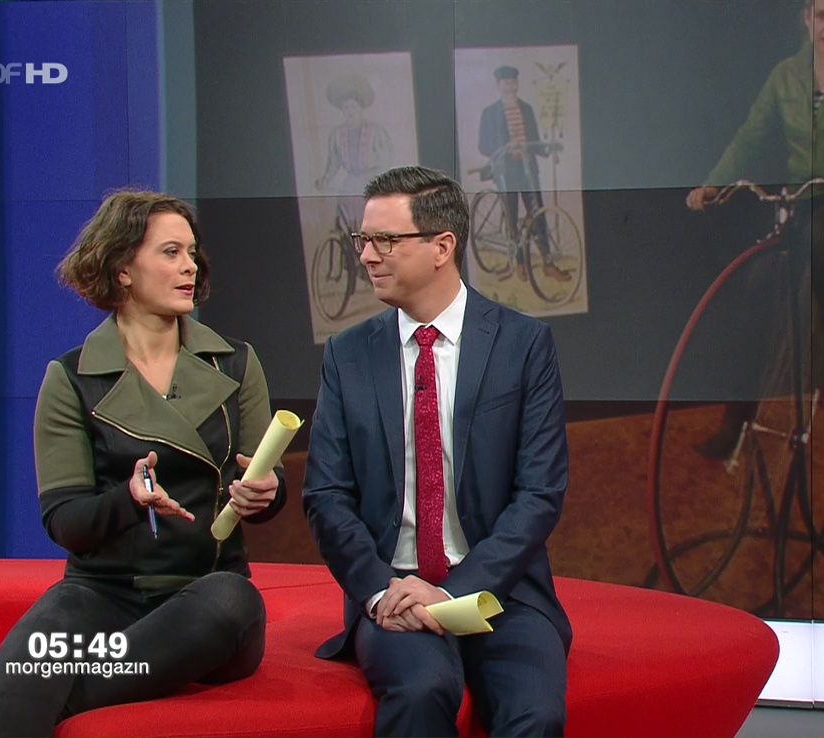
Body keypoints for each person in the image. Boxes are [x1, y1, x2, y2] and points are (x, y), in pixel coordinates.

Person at [0, 190, 287, 737]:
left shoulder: (235, 363)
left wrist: (266, 493)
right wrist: (128, 501)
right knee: (22, 672)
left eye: (192, 253)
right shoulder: (71, 378)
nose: (190, 266)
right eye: (171, 252)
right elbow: (66, 522)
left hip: (205, 593)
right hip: (102, 594)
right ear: (122, 268)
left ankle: (53, 707)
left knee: (230, 600)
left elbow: (263, 491)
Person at [304, 165, 571, 738]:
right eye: (363, 239)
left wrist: (454, 591)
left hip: (503, 591)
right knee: (423, 689)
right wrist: (381, 592)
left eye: (385, 240)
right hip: (393, 590)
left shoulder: (523, 344)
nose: (367, 255)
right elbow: (326, 495)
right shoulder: (348, 355)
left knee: (536, 713)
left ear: (442, 247)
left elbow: (540, 493)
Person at [685, 0, 824, 455]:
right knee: (756, 287)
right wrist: (713, 183)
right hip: (802, 200)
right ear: (807, 17)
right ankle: (735, 421)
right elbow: (750, 135)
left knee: (821, 237)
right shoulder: (786, 75)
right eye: (822, 15)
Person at [477, 65, 571, 284]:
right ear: (498, 85)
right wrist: (504, 146)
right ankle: (518, 263)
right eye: (506, 83)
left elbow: (535, 140)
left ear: (517, 84)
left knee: (538, 214)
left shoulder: (526, 109)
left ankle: (548, 263)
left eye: (513, 82)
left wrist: (548, 148)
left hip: (528, 169)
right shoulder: (490, 113)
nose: (510, 87)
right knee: (512, 217)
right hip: (506, 171)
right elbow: (483, 145)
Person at [315, 73, 395, 198]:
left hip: (373, 182)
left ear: (360, 108)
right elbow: (334, 161)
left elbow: (386, 158)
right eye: (346, 107)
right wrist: (326, 179)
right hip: (350, 185)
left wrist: (378, 180)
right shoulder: (336, 135)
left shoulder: (376, 131)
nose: (350, 111)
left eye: (353, 106)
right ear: (342, 110)